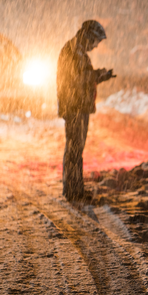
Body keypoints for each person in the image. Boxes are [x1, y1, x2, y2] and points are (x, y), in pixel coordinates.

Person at [56, 20, 115, 201]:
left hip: (77, 106)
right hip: (75, 107)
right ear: (88, 36)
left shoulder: (76, 50)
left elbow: (81, 77)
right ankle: (73, 192)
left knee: (76, 149)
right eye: (96, 41)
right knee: (74, 149)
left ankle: (75, 190)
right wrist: (99, 75)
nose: (96, 46)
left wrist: (98, 77)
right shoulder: (73, 51)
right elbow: (79, 78)